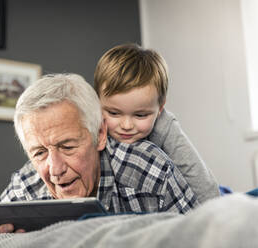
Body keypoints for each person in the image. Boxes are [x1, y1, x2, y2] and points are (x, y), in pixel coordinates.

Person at [0, 73, 198, 240]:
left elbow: (201, 239)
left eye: (67, 147)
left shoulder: (150, 171)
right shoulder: (24, 187)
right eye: (40, 153)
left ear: (100, 135)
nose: (55, 169)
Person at [94, 43, 220, 203]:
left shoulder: (164, 127)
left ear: (160, 109)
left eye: (140, 115)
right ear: (98, 103)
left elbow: (201, 181)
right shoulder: (93, 123)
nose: (126, 125)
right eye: (113, 113)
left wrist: (214, 214)